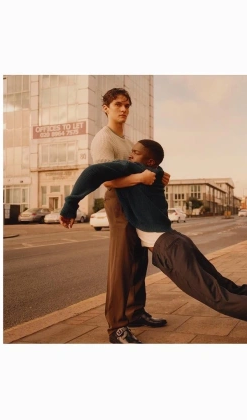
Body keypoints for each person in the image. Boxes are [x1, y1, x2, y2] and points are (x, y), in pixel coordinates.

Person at [60, 140, 247, 343]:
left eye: (135, 152)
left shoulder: (136, 169)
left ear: (149, 161)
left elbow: (92, 172)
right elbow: (115, 182)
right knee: (229, 288)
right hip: (177, 241)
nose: (130, 155)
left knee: (221, 298)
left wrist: (71, 204)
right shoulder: (153, 175)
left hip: (169, 247)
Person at [86, 88, 167, 344]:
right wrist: (141, 178)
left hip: (136, 202)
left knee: (138, 260)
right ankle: (117, 327)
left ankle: (135, 312)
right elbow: (108, 181)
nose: (124, 109)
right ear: (106, 108)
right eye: (118, 104)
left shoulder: (126, 140)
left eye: (127, 105)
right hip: (119, 203)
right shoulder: (103, 139)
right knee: (121, 265)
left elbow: (139, 169)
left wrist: (157, 175)